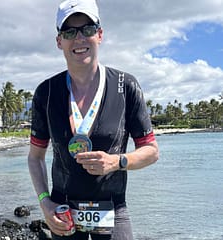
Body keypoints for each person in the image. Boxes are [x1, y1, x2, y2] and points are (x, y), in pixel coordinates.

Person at [28, 0, 159, 239]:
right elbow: (35, 157)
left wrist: (118, 162)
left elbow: (151, 151)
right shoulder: (46, 92)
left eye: (87, 29)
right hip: (63, 212)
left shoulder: (125, 86)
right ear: (59, 41)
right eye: (69, 32)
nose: (79, 38)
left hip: (113, 208)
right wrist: (44, 202)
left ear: (99, 35)